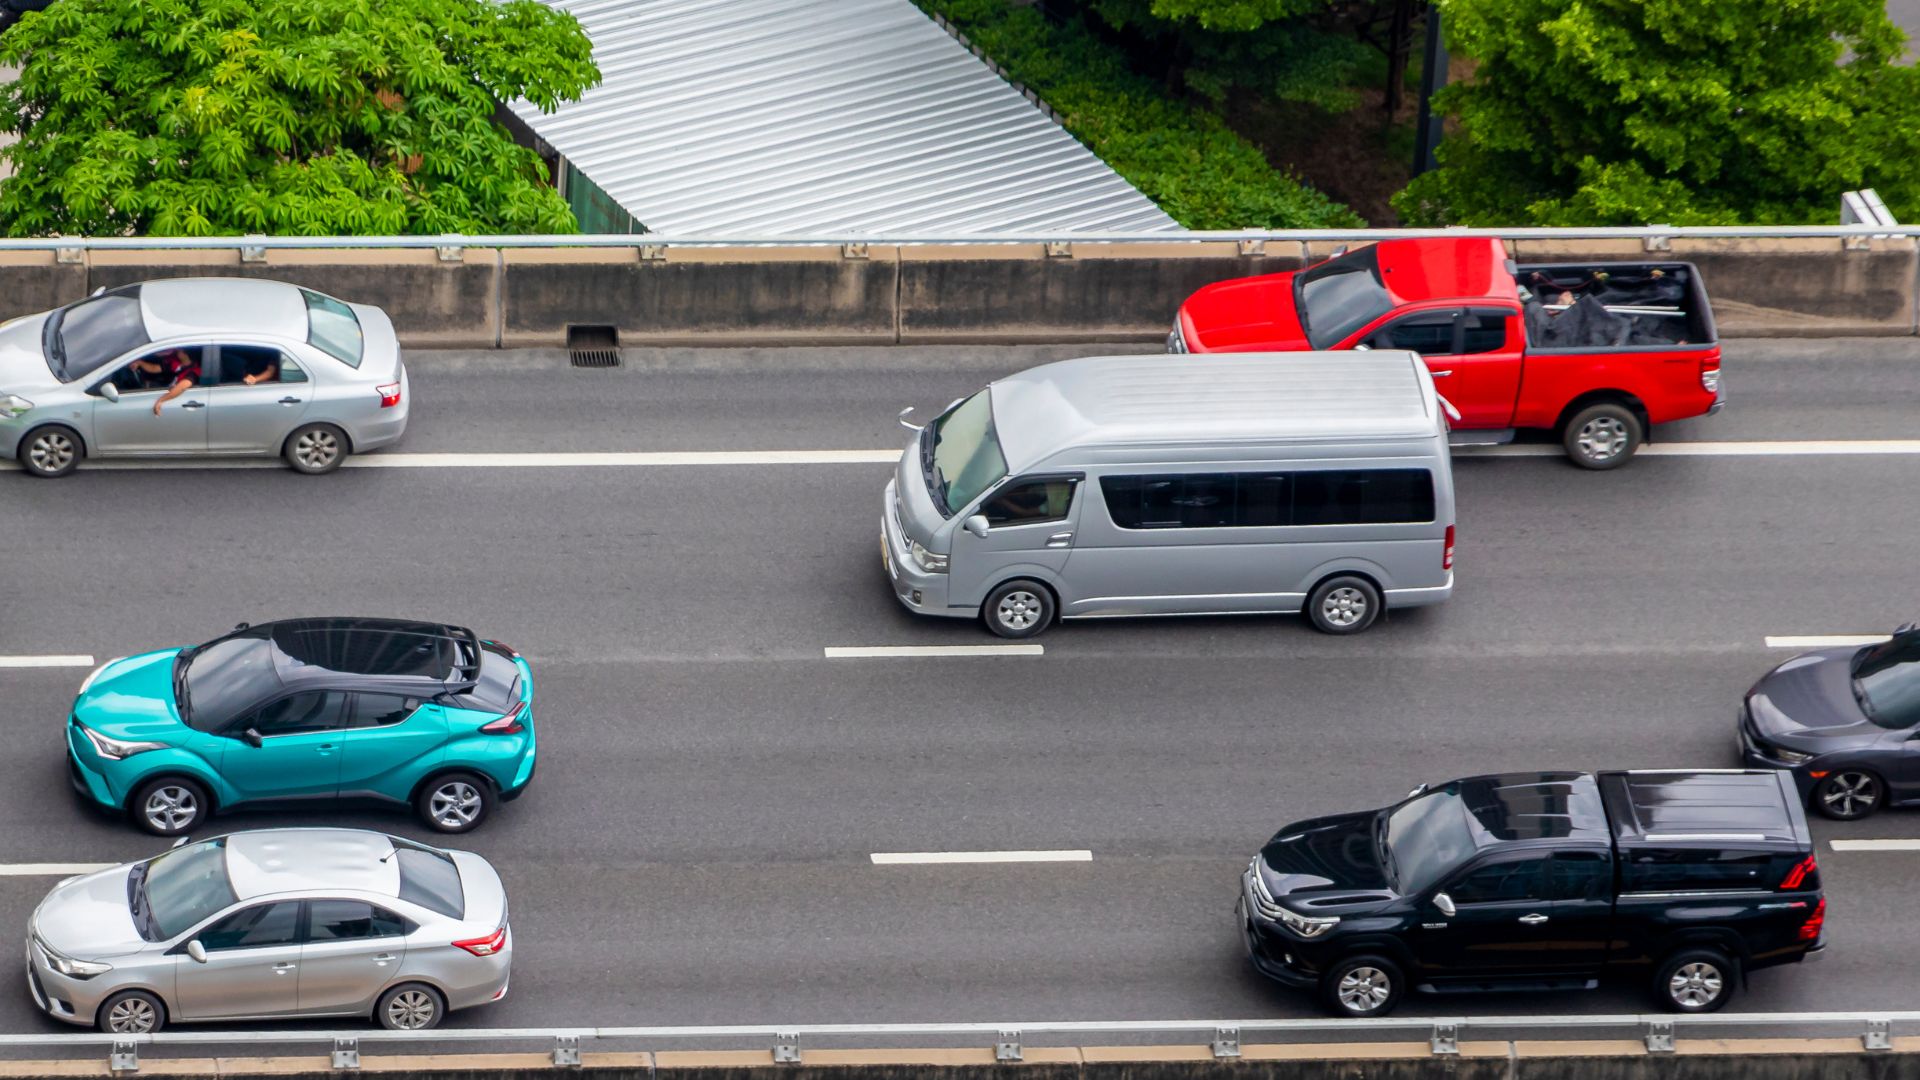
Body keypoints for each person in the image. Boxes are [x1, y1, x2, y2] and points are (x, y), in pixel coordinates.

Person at [131, 348, 201, 415]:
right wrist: (140, 362)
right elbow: (154, 368)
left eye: (179, 350)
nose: (176, 351)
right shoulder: (177, 364)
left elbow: (181, 388)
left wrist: (161, 400)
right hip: (165, 389)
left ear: (185, 354)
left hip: (174, 400)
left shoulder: (194, 372)